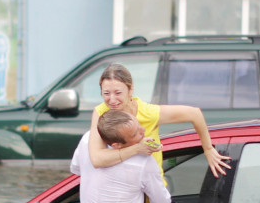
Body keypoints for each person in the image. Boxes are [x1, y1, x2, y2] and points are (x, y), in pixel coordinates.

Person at [87, 63, 231, 182]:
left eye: (118, 93)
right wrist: (137, 149)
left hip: (151, 190)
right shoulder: (101, 112)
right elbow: (97, 159)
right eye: (106, 93)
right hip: (121, 189)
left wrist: (208, 149)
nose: (111, 100)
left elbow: (195, 114)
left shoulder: (148, 113)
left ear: (131, 90)